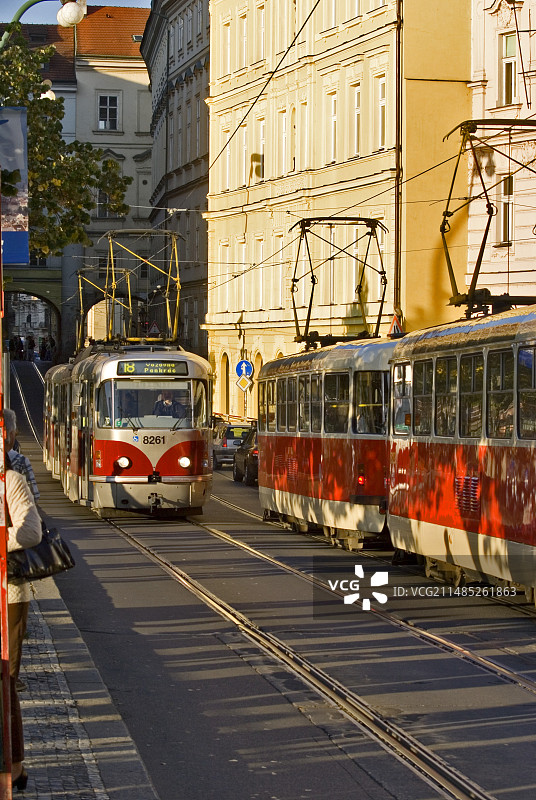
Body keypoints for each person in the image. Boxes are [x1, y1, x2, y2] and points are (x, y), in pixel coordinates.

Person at [4, 409, 43, 791]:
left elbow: (31, 530)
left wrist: (2, 543)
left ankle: (14, 765)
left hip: (9, 590)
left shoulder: (13, 478)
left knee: (6, 679)